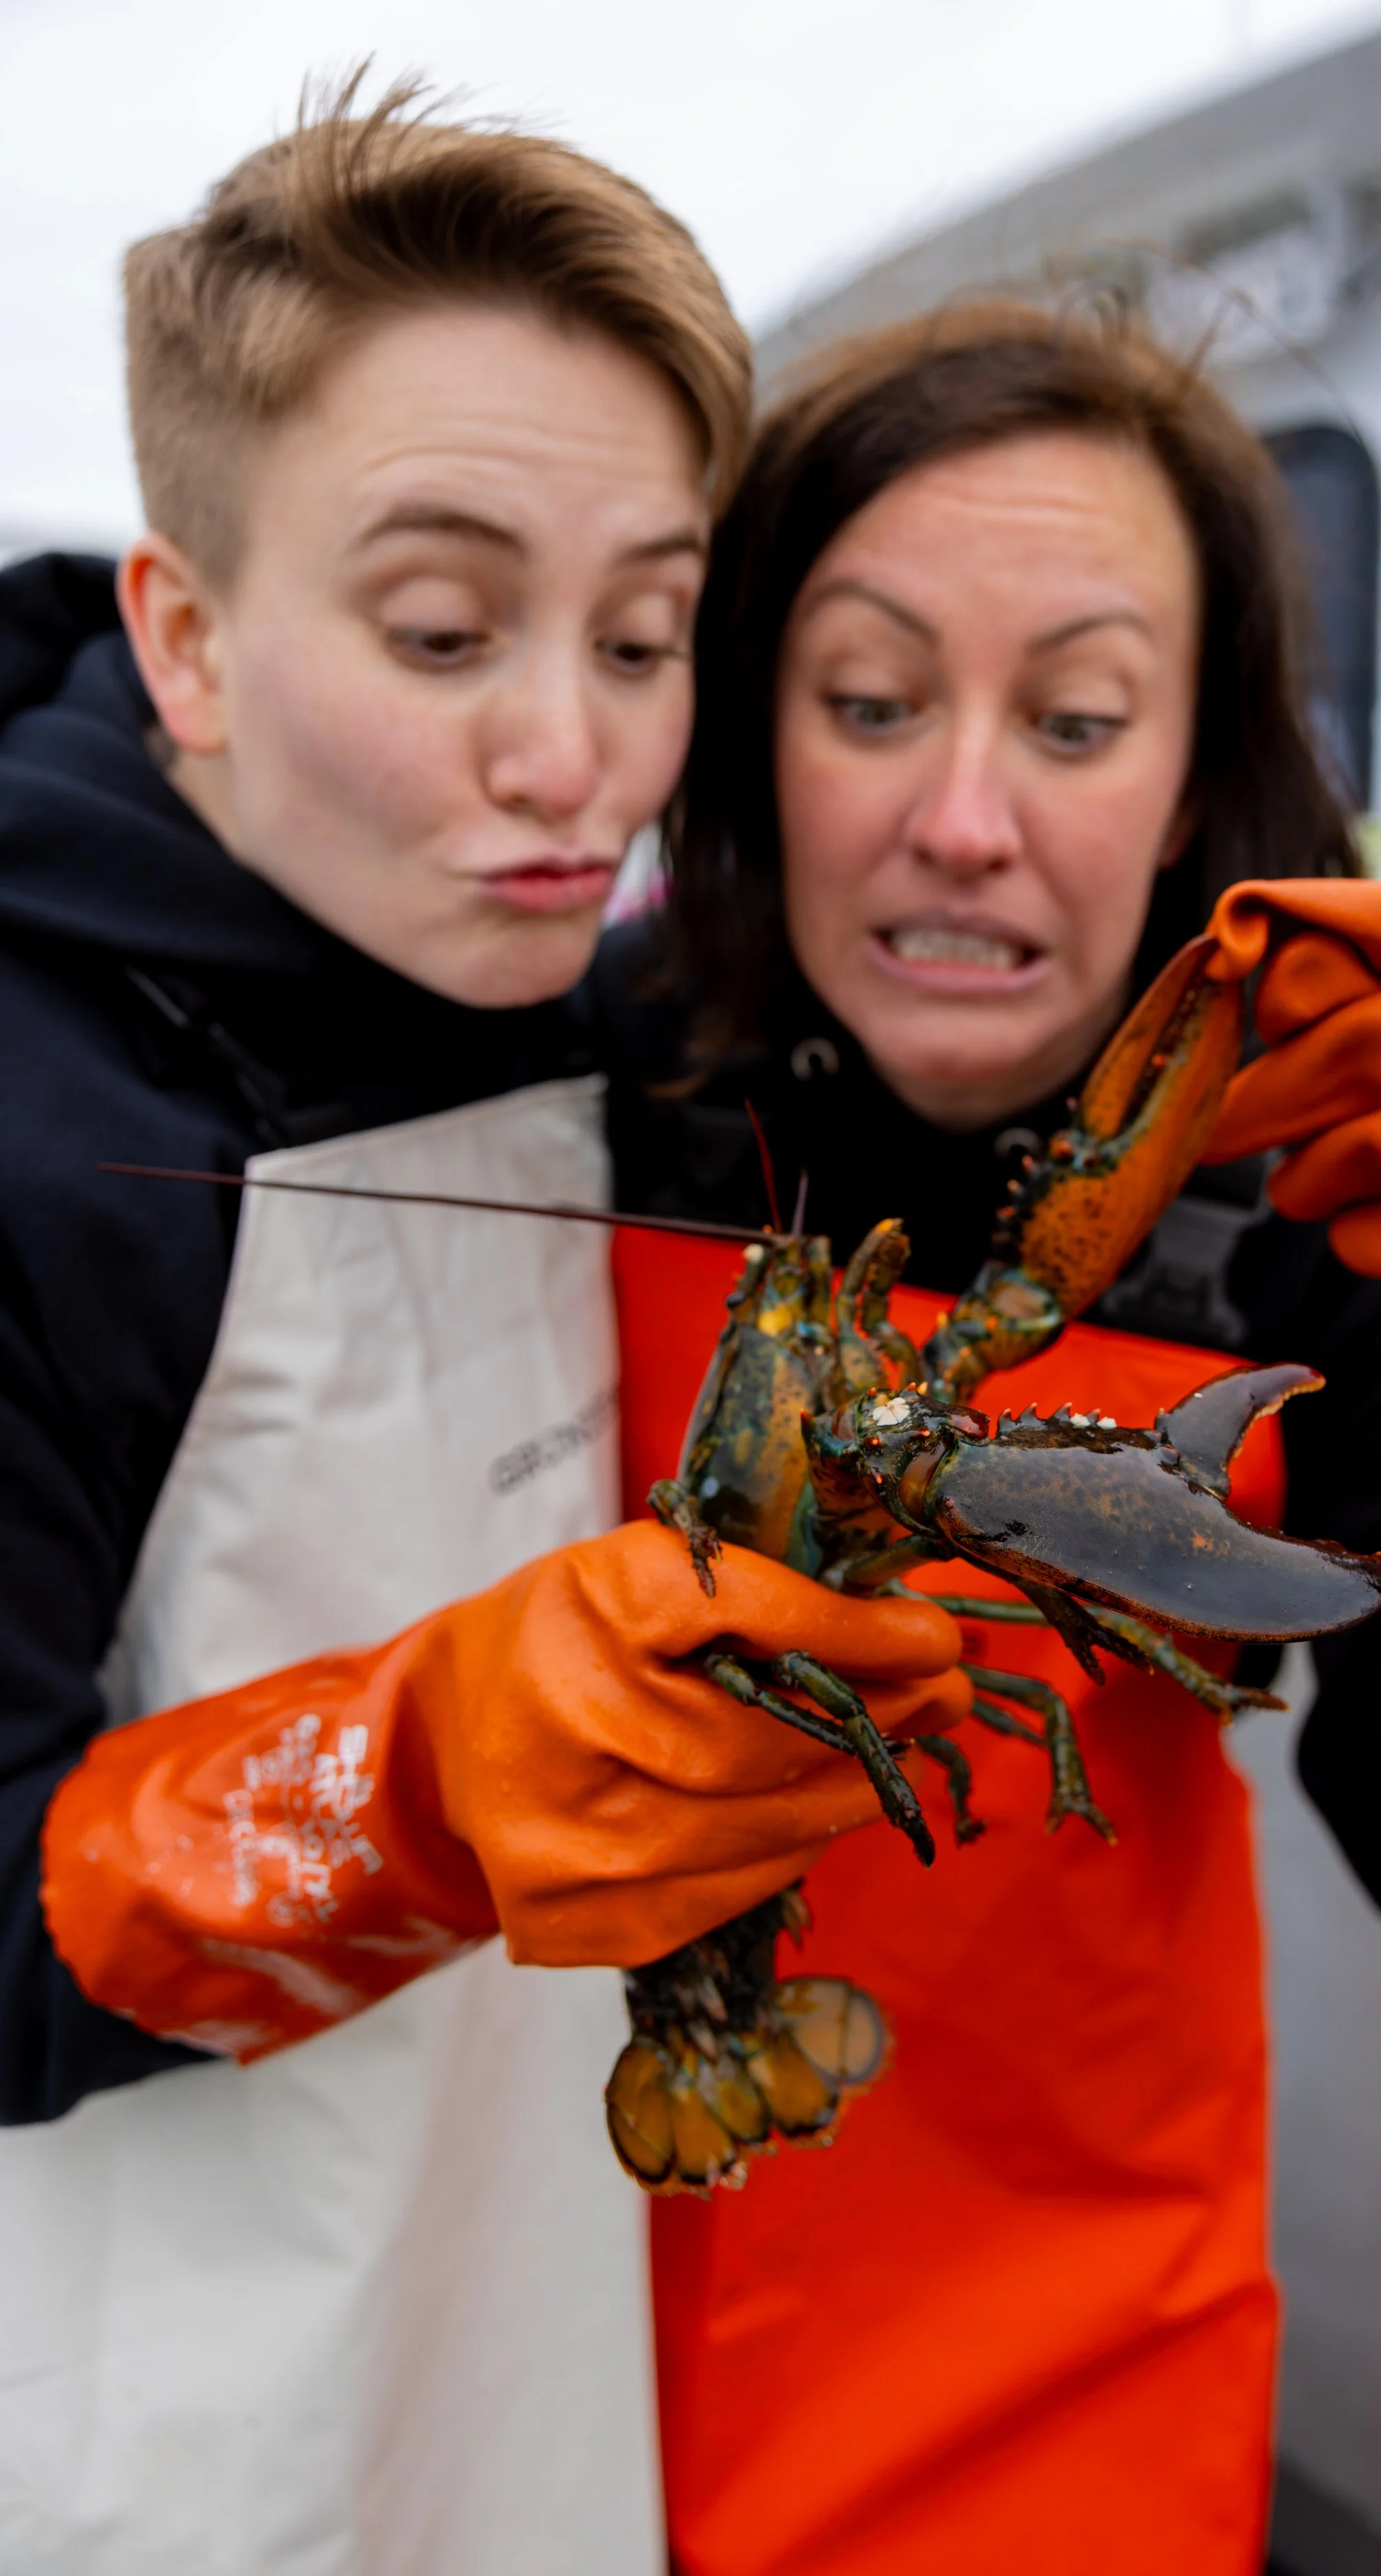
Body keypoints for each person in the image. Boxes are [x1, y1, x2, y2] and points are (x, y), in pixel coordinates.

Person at [586, 302, 1381, 2575]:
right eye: (869, 701)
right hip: (510, 2403)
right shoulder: (558, 1086)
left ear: (1200, 774)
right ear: (739, 740)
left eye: (1078, 716)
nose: (964, 818)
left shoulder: (1314, 1210)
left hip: (1057, 2426)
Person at [0, 93, 969, 2574]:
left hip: (568, 2356)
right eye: (443, 636)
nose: (576, 764)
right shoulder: (42, 1124)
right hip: (178, 2457)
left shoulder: (599, 1006)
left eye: (645, 638)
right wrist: (401, 1777)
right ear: (187, 637)